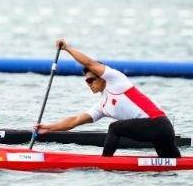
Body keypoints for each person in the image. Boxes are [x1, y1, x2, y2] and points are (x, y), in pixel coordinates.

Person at [36, 39, 181, 158]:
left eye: (91, 80)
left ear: (102, 77)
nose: (88, 84)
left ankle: (105, 162)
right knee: (171, 164)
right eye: (86, 81)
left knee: (114, 128)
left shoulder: (116, 80)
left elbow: (89, 63)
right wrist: (49, 127)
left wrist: (67, 48)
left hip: (158, 124)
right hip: (159, 131)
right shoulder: (103, 106)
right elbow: (75, 121)